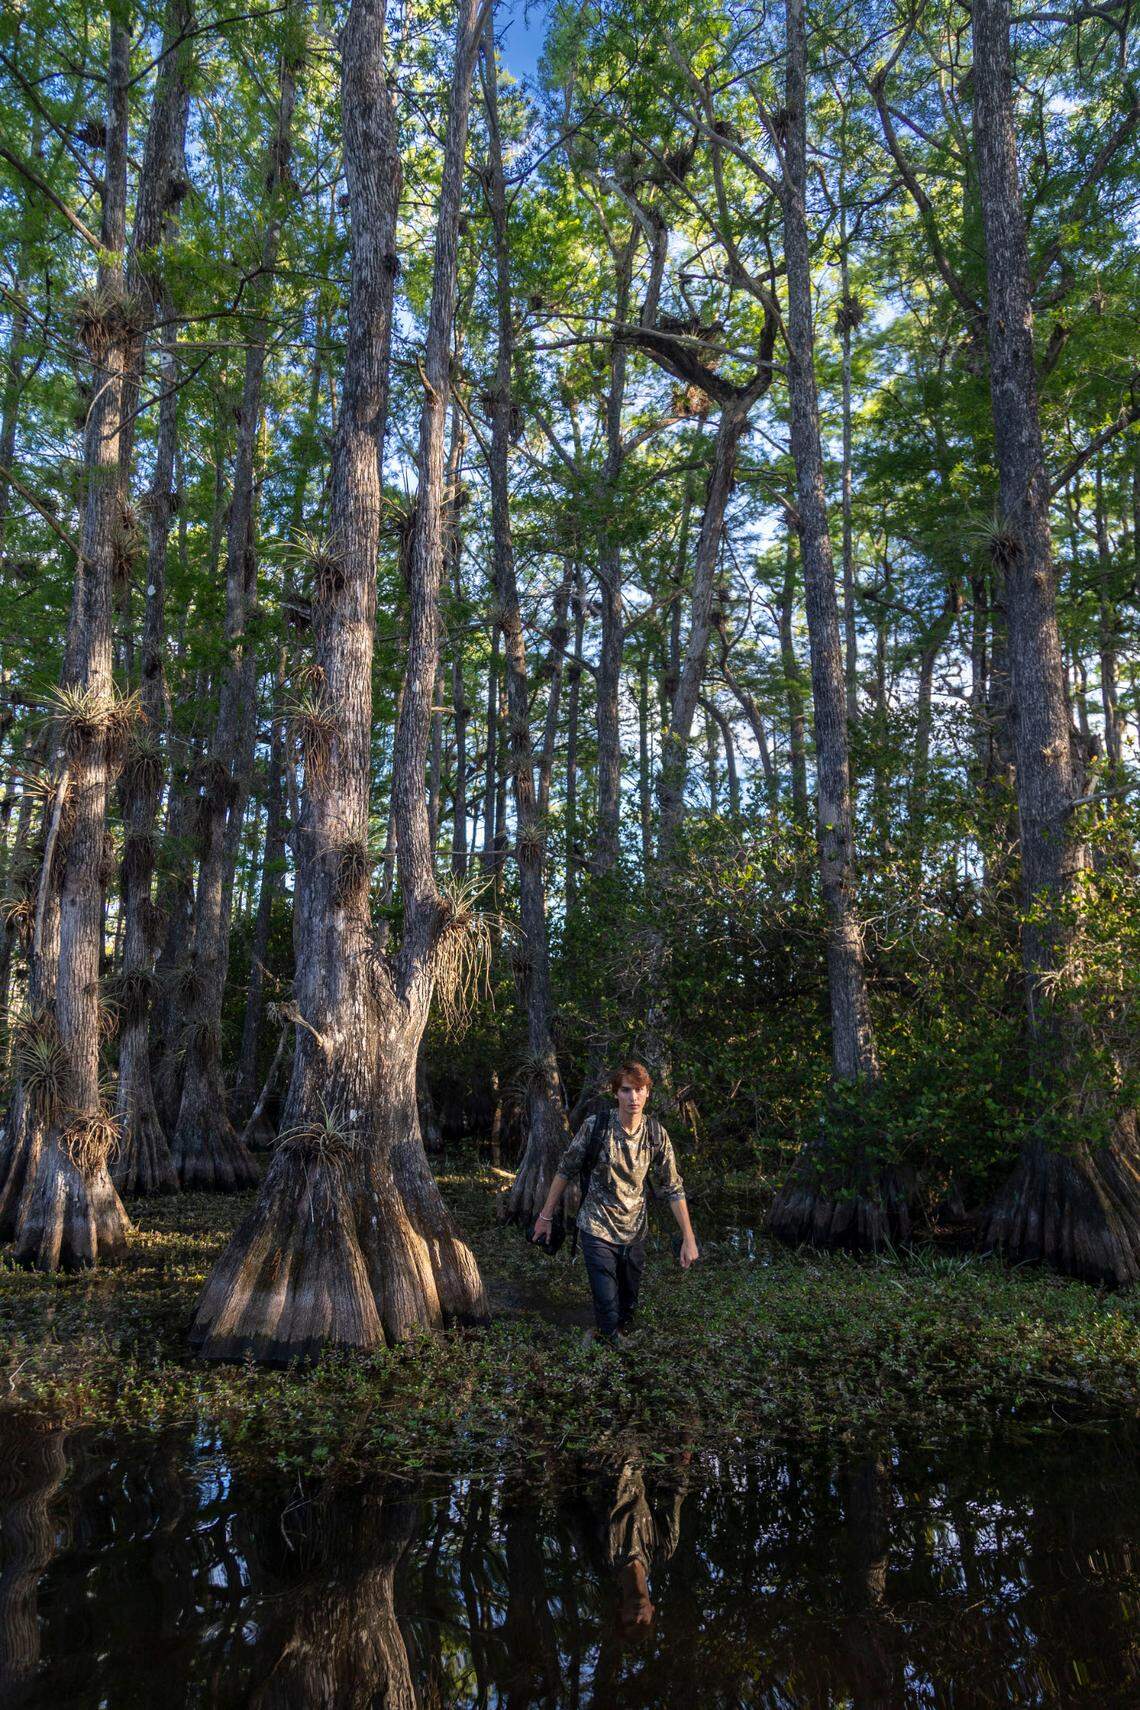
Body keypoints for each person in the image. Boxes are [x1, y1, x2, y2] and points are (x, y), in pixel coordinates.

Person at [532, 1061, 699, 1347]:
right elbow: (565, 1169)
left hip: (635, 1232)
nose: (632, 1097)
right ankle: (604, 1348)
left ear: (647, 1093)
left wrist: (688, 1237)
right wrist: (545, 1217)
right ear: (616, 1093)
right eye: (626, 1090)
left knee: (628, 1310)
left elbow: (673, 1187)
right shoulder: (596, 1127)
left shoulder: (656, 1135)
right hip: (596, 1227)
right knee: (608, 1313)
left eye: (639, 1090)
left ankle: (613, 1338)